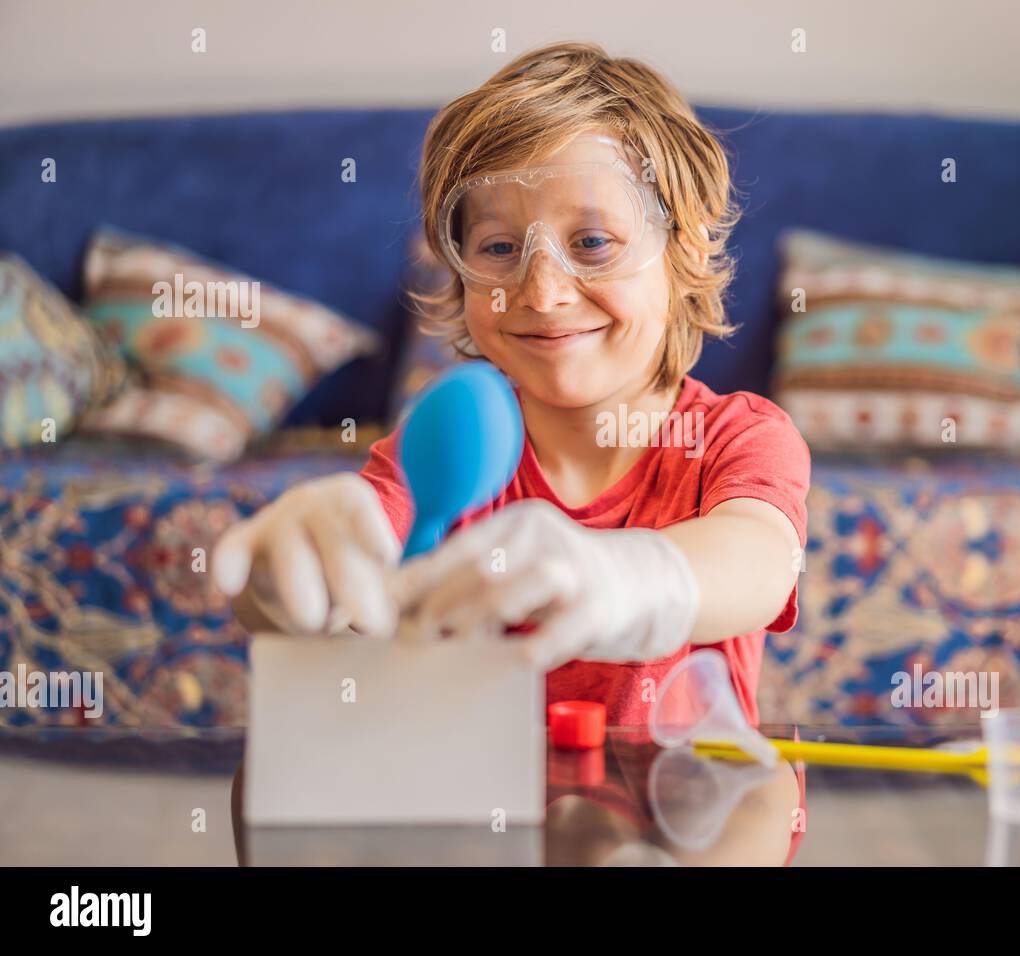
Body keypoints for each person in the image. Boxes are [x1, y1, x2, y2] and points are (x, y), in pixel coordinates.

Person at [215, 41, 810, 863]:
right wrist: (287, 586)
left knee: (765, 793)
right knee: (268, 771)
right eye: (497, 248)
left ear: (683, 251)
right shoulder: (445, 449)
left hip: (682, 812)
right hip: (468, 810)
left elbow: (758, 559)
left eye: (594, 243)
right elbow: (351, 569)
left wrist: (625, 577)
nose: (543, 291)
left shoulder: (736, 437)